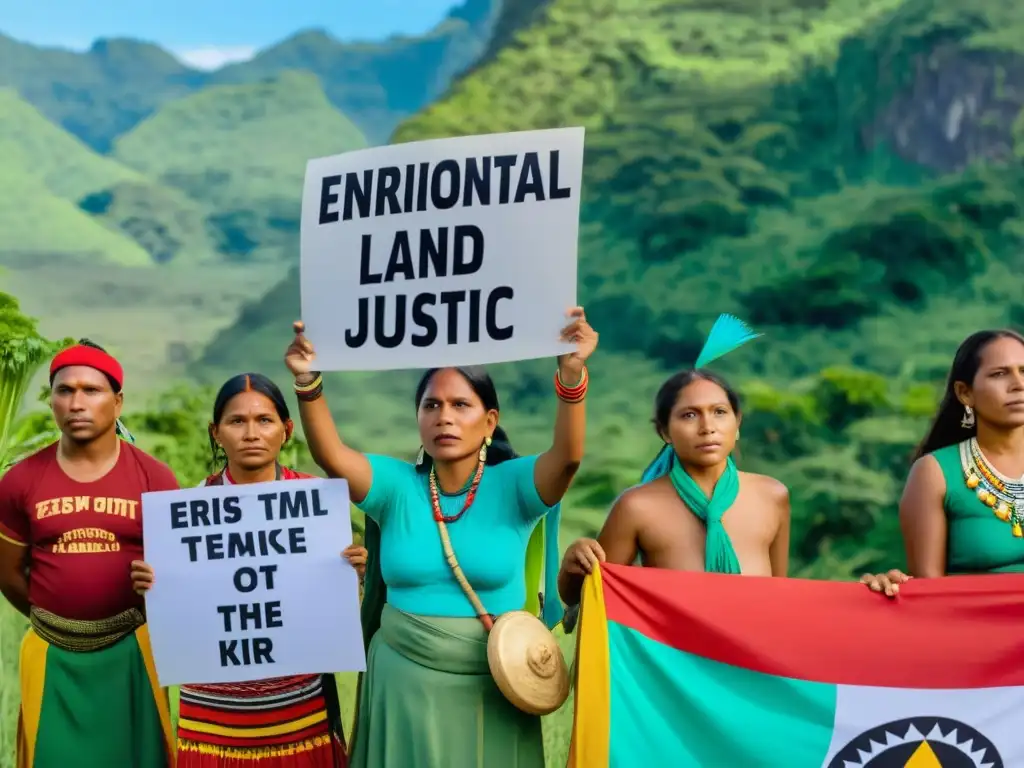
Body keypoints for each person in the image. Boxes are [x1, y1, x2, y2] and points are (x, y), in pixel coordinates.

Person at [284, 308, 597, 768]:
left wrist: (571, 374)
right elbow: (332, 456)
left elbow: (567, 458)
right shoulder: (395, 487)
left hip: (494, 685)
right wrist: (308, 381)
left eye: (460, 405)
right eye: (431, 405)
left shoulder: (514, 488)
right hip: (401, 683)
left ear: (490, 422)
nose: (444, 417)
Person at [131, 372, 367, 768]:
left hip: (299, 710)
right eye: (237, 421)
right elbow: (182, 614)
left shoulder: (315, 504)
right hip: (212, 717)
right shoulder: (185, 515)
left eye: (264, 420)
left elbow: (326, 609)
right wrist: (152, 585)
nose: (251, 433)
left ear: (287, 430)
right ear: (216, 432)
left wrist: (351, 574)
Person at [0, 340, 179, 768]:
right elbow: (8, 574)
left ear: (117, 403)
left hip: (134, 649)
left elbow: (176, 574)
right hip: (51, 654)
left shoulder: (154, 476)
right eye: (65, 390)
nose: (76, 402)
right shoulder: (20, 481)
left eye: (91, 391)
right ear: (52, 402)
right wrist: (61, 615)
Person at [557, 315, 790, 613]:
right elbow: (584, 597)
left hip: (753, 654)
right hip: (672, 658)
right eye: (689, 415)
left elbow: (785, 597)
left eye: (719, 412)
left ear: (738, 423)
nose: (708, 426)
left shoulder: (772, 496)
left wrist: (868, 597)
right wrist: (573, 564)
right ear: (665, 432)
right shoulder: (637, 506)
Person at [862, 329, 1024, 598]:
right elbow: (930, 597)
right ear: (965, 393)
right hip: (979, 633)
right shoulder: (935, 473)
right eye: (999, 374)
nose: (1018, 384)